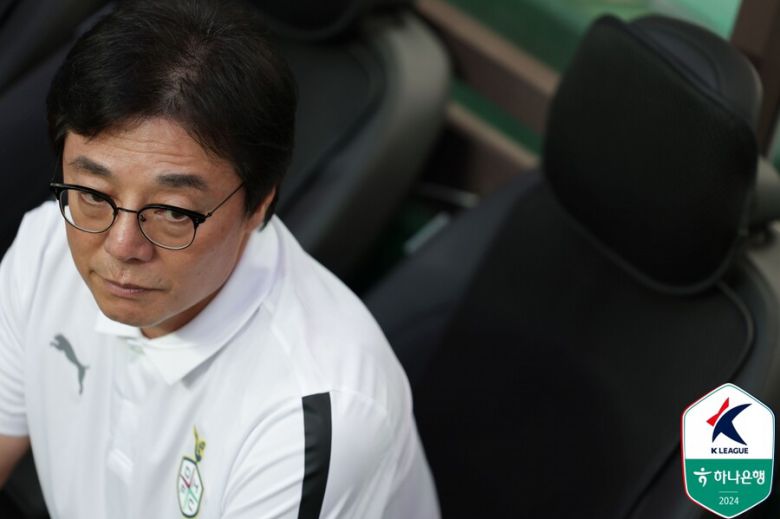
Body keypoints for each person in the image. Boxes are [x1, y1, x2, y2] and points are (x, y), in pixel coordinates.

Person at [0, 0, 440, 517]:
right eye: (94, 193)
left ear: (260, 203)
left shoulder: (314, 414)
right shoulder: (48, 243)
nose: (121, 246)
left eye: (172, 211)